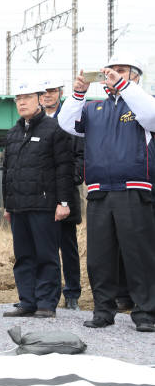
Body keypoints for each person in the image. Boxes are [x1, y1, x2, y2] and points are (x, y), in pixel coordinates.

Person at [58, 54, 155, 332]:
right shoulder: (93, 108)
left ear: (135, 76)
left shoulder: (141, 104)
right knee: (100, 256)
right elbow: (66, 123)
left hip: (134, 189)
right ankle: (103, 309)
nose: (113, 75)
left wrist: (124, 86)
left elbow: (152, 116)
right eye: (110, 71)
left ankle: (146, 311)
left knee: (139, 254)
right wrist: (78, 92)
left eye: (122, 70)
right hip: (100, 191)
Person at [2, 82, 73, 319]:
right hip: (18, 206)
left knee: (46, 255)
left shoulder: (55, 129)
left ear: (39, 99)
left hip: (44, 205)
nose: (21, 102)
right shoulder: (13, 133)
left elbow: (64, 168)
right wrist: (7, 205)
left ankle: (46, 302)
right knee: (23, 256)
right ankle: (27, 301)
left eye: (27, 97)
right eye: (18, 98)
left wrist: (63, 202)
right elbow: (8, 171)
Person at [40, 80, 84, 310]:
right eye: (44, 92)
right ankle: (47, 292)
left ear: (60, 93)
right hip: (40, 196)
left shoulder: (70, 119)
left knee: (68, 245)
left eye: (52, 91)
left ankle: (72, 292)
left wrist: (67, 181)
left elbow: (80, 157)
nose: (47, 95)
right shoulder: (32, 121)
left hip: (65, 193)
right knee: (42, 246)